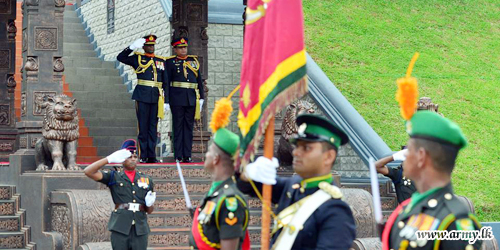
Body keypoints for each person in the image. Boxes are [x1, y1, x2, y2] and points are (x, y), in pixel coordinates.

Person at [238, 114, 356, 250]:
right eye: (297, 146)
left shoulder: (336, 212)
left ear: (328, 157)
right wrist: (248, 172)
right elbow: (249, 186)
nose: (296, 152)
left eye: (306, 148)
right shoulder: (293, 186)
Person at [382, 111, 482, 250]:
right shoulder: (406, 211)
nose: (404, 155)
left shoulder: (456, 223)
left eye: (408, 150)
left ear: (421, 157)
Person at [84, 139, 156, 250]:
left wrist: (149, 204)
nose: (132, 159)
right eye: (129, 157)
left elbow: (149, 211)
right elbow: (88, 171)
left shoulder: (146, 179)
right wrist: (108, 159)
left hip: (140, 228)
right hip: (120, 227)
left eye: (135, 157)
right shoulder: (114, 176)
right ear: (122, 160)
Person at [189, 125, 250, 249]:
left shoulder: (230, 201)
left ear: (216, 159)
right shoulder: (217, 192)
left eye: (210, 151)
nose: (206, 155)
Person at [117, 35, 168, 163]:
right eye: (148, 45)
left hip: (156, 97)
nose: (151, 47)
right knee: (143, 127)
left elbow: (165, 81)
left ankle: (152, 156)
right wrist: (132, 47)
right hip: (142, 95)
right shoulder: (137, 58)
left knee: (153, 127)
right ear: (144, 47)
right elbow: (120, 57)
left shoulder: (160, 60)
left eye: (153, 45)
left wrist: (167, 99)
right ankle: (143, 155)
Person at [165, 37, 205, 163]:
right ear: (175, 49)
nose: (183, 50)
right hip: (177, 98)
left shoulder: (193, 61)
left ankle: (187, 154)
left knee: (188, 127)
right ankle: (178, 155)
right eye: (180, 48)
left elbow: (199, 80)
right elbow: (167, 82)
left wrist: (202, 97)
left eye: (185, 47)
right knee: (178, 126)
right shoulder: (170, 62)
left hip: (191, 98)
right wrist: (166, 100)